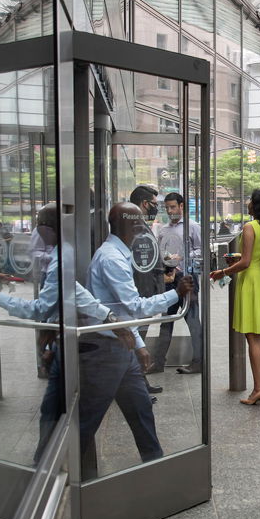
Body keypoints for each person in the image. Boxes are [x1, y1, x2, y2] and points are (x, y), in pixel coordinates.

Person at [0, 203, 130, 472]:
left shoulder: (63, 258)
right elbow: (74, 294)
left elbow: (41, 308)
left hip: (75, 344)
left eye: (40, 224)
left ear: (46, 228)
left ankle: (51, 464)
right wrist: (109, 317)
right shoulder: (65, 253)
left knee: (57, 409)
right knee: (55, 409)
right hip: (70, 340)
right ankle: (49, 462)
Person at [78, 203, 197, 476]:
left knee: (140, 407)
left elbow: (118, 310)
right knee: (90, 416)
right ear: (131, 225)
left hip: (119, 346)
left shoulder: (116, 254)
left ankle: (154, 463)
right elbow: (133, 307)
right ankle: (66, 468)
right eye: (141, 221)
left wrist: (140, 346)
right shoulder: (112, 259)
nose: (144, 225)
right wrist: (175, 293)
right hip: (107, 350)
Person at [210, 188, 260, 404]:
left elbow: (244, 262)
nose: (247, 203)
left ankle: (258, 388)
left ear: (257, 205)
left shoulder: (250, 227)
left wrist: (222, 272)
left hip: (251, 282)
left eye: (250, 200)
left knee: (252, 336)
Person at [153, 191, 204, 374]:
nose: (169, 210)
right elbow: (159, 252)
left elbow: (202, 251)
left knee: (192, 320)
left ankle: (198, 361)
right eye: (167, 207)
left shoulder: (193, 227)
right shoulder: (164, 230)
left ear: (182, 206)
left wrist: (183, 256)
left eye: (173, 207)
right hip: (170, 279)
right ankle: (158, 362)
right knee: (166, 321)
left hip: (187, 278)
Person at [128, 185, 167, 388]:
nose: (156, 208)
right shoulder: (135, 227)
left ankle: (140, 381)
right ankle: (138, 383)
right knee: (138, 337)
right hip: (141, 292)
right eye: (154, 204)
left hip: (145, 291)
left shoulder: (139, 224)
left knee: (138, 336)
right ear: (145, 203)